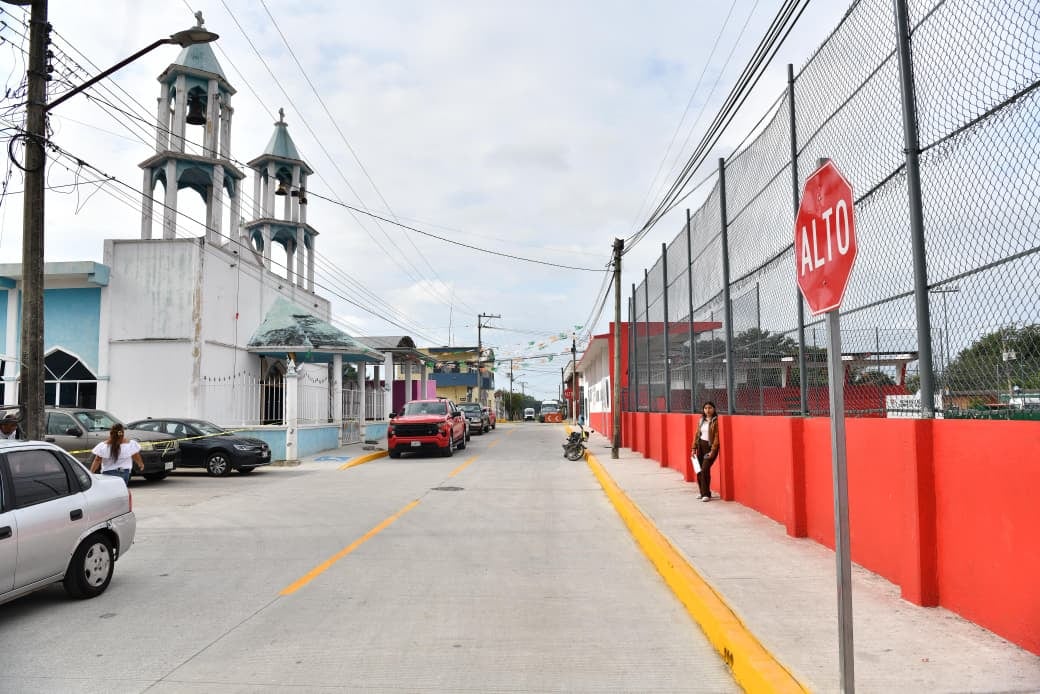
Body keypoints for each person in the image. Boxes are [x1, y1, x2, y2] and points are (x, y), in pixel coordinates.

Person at [691, 401, 720, 502]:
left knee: (705, 469)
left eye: (710, 408)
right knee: (699, 470)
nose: (708, 410)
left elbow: (716, 437)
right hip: (701, 446)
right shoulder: (701, 420)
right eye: (706, 408)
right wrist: (694, 448)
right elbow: (697, 434)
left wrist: (713, 450)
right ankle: (703, 492)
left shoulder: (716, 421)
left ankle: (706, 494)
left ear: (714, 409)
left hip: (710, 447)